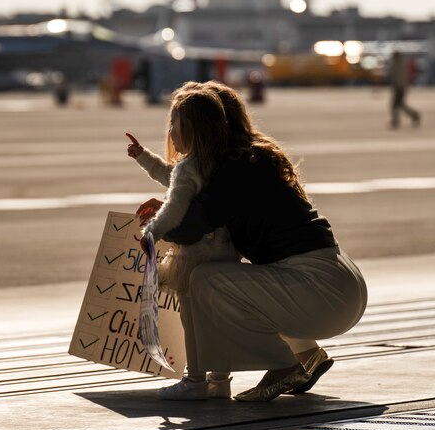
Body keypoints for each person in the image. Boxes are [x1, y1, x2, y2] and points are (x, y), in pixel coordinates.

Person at [136, 81, 368, 402]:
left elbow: (190, 229)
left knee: (205, 280)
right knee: (243, 283)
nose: (171, 131)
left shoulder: (233, 168)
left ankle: (281, 365)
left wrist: (156, 222)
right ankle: (306, 356)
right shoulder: (253, 157)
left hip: (318, 289)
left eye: (176, 123)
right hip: (337, 282)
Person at [125, 88, 240, 399]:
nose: (170, 131)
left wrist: (152, 231)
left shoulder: (190, 166)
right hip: (226, 254)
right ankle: (221, 379)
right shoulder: (216, 163)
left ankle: (196, 381)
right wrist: (144, 157)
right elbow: (171, 176)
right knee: (217, 321)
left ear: (191, 128)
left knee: (193, 322)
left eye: (173, 123)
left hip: (196, 259)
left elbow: (175, 205)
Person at [389, 51, 420, 128]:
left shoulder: (398, 64)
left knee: (395, 105)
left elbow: (400, 77)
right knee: (400, 105)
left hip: (400, 87)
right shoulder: (399, 63)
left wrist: (399, 86)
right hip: (400, 87)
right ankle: (414, 115)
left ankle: (396, 121)